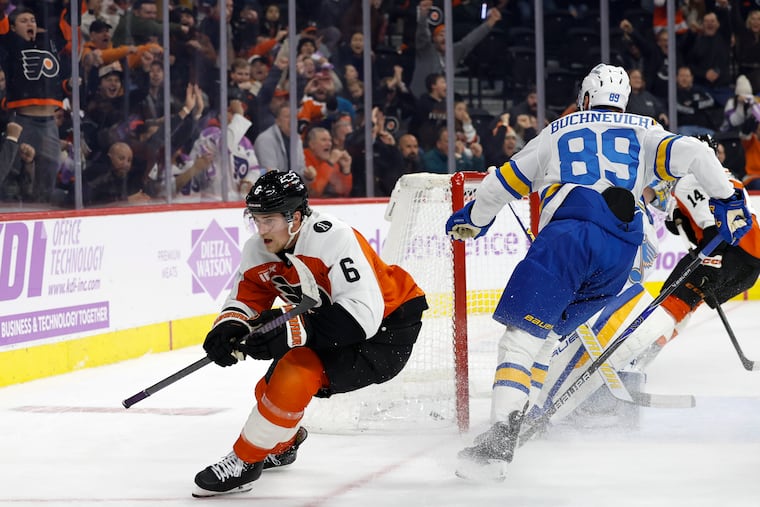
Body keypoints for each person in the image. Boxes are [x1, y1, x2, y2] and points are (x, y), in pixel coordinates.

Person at [445, 64, 752, 481]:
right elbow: (698, 153)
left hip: (569, 236)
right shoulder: (645, 128)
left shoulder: (559, 128)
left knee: (520, 340)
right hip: (621, 250)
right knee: (550, 335)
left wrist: (476, 218)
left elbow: (503, 182)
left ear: (585, 96)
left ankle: (499, 444)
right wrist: (731, 200)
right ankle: (528, 417)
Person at [194, 170, 428, 497]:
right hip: (335, 326)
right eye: (256, 220)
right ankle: (284, 444)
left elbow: (363, 317)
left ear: (297, 217)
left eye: (270, 221)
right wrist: (230, 327)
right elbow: (246, 298)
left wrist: (288, 329)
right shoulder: (258, 249)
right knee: (268, 390)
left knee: (294, 372)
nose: (261, 231)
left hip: (385, 333)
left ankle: (245, 463)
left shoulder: (333, 238)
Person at [635, 135, 760, 368]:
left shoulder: (691, 179)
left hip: (726, 252)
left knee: (669, 303)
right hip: (750, 265)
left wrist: (712, 260)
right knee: (684, 304)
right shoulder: (726, 176)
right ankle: (642, 357)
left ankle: (633, 358)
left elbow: (713, 226)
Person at [254, 103, 306, 176]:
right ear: (278, 121)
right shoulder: (265, 140)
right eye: (287, 116)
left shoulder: (298, 140)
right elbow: (270, 173)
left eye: (295, 117)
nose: (292, 121)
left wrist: (308, 177)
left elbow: (300, 170)